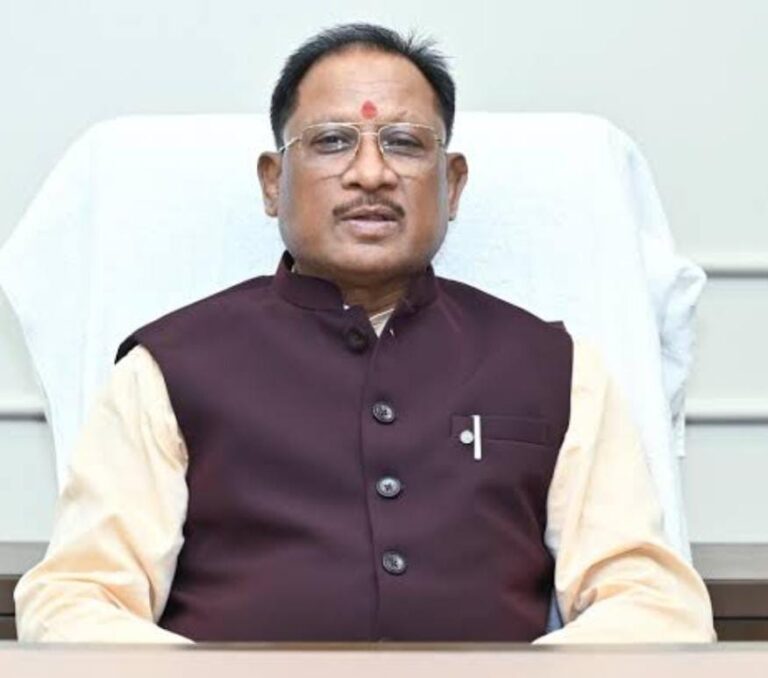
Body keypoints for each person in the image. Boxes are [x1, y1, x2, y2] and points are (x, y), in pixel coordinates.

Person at [15, 22, 714, 644]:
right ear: (273, 182)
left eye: (404, 143)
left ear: (452, 184)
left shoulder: (556, 369)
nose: (371, 173)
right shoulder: (167, 368)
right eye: (331, 142)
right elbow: (76, 599)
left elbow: (654, 603)